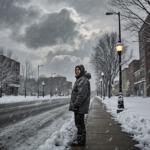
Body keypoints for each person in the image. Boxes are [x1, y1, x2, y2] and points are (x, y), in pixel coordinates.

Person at [69, 64, 91, 146]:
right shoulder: (81, 79)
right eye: (76, 69)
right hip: (79, 107)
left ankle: (81, 142)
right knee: (79, 124)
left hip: (80, 107)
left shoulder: (83, 80)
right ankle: (80, 140)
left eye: (78, 69)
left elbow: (81, 95)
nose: (77, 71)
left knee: (80, 125)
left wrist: (76, 105)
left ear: (82, 70)